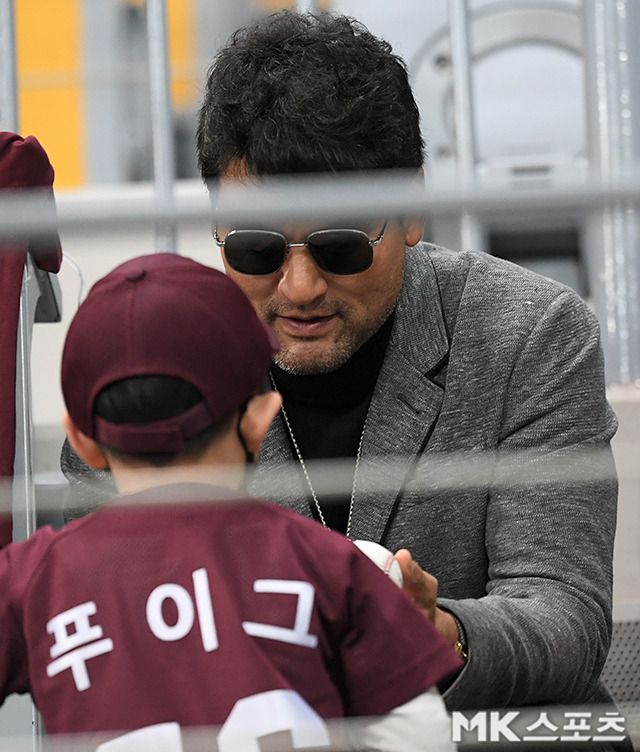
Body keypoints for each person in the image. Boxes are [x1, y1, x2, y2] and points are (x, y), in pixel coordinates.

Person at [62, 9, 620, 725]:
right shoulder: (136, 357)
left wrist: (436, 635)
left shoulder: (531, 335)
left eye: (340, 246)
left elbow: (565, 620)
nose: (298, 289)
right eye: (257, 249)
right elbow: (95, 628)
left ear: (413, 208)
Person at [2, 253, 461, 750]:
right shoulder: (331, 565)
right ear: (259, 419)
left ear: (82, 441)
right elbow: (419, 737)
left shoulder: (30, 582)